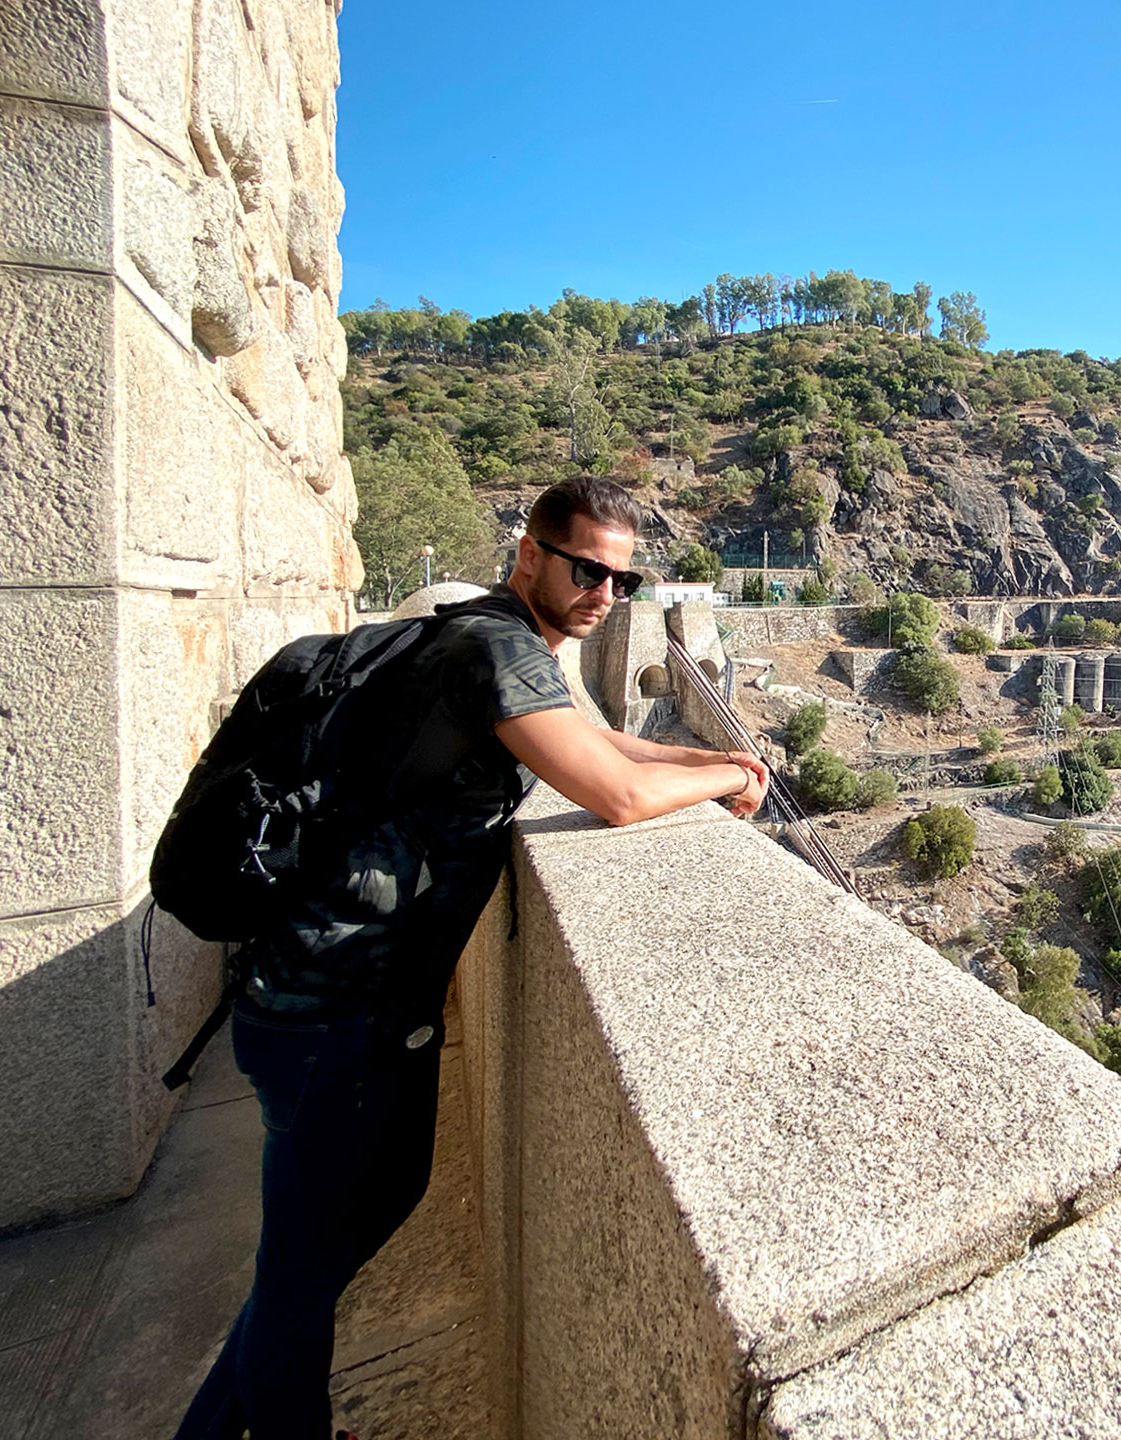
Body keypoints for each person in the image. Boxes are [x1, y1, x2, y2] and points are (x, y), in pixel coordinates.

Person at [174, 476, 767, 1440]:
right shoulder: (495, 646)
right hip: (333, 1009)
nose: (603, 595)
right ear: (529, 552)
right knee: (303, 1269)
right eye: (585, 569)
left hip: (336, 1003)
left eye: (621, 580)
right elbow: (612, 794)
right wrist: (709, 793)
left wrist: (717, 764)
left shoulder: (493, 633)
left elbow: (600, 742)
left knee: (335, 1239)